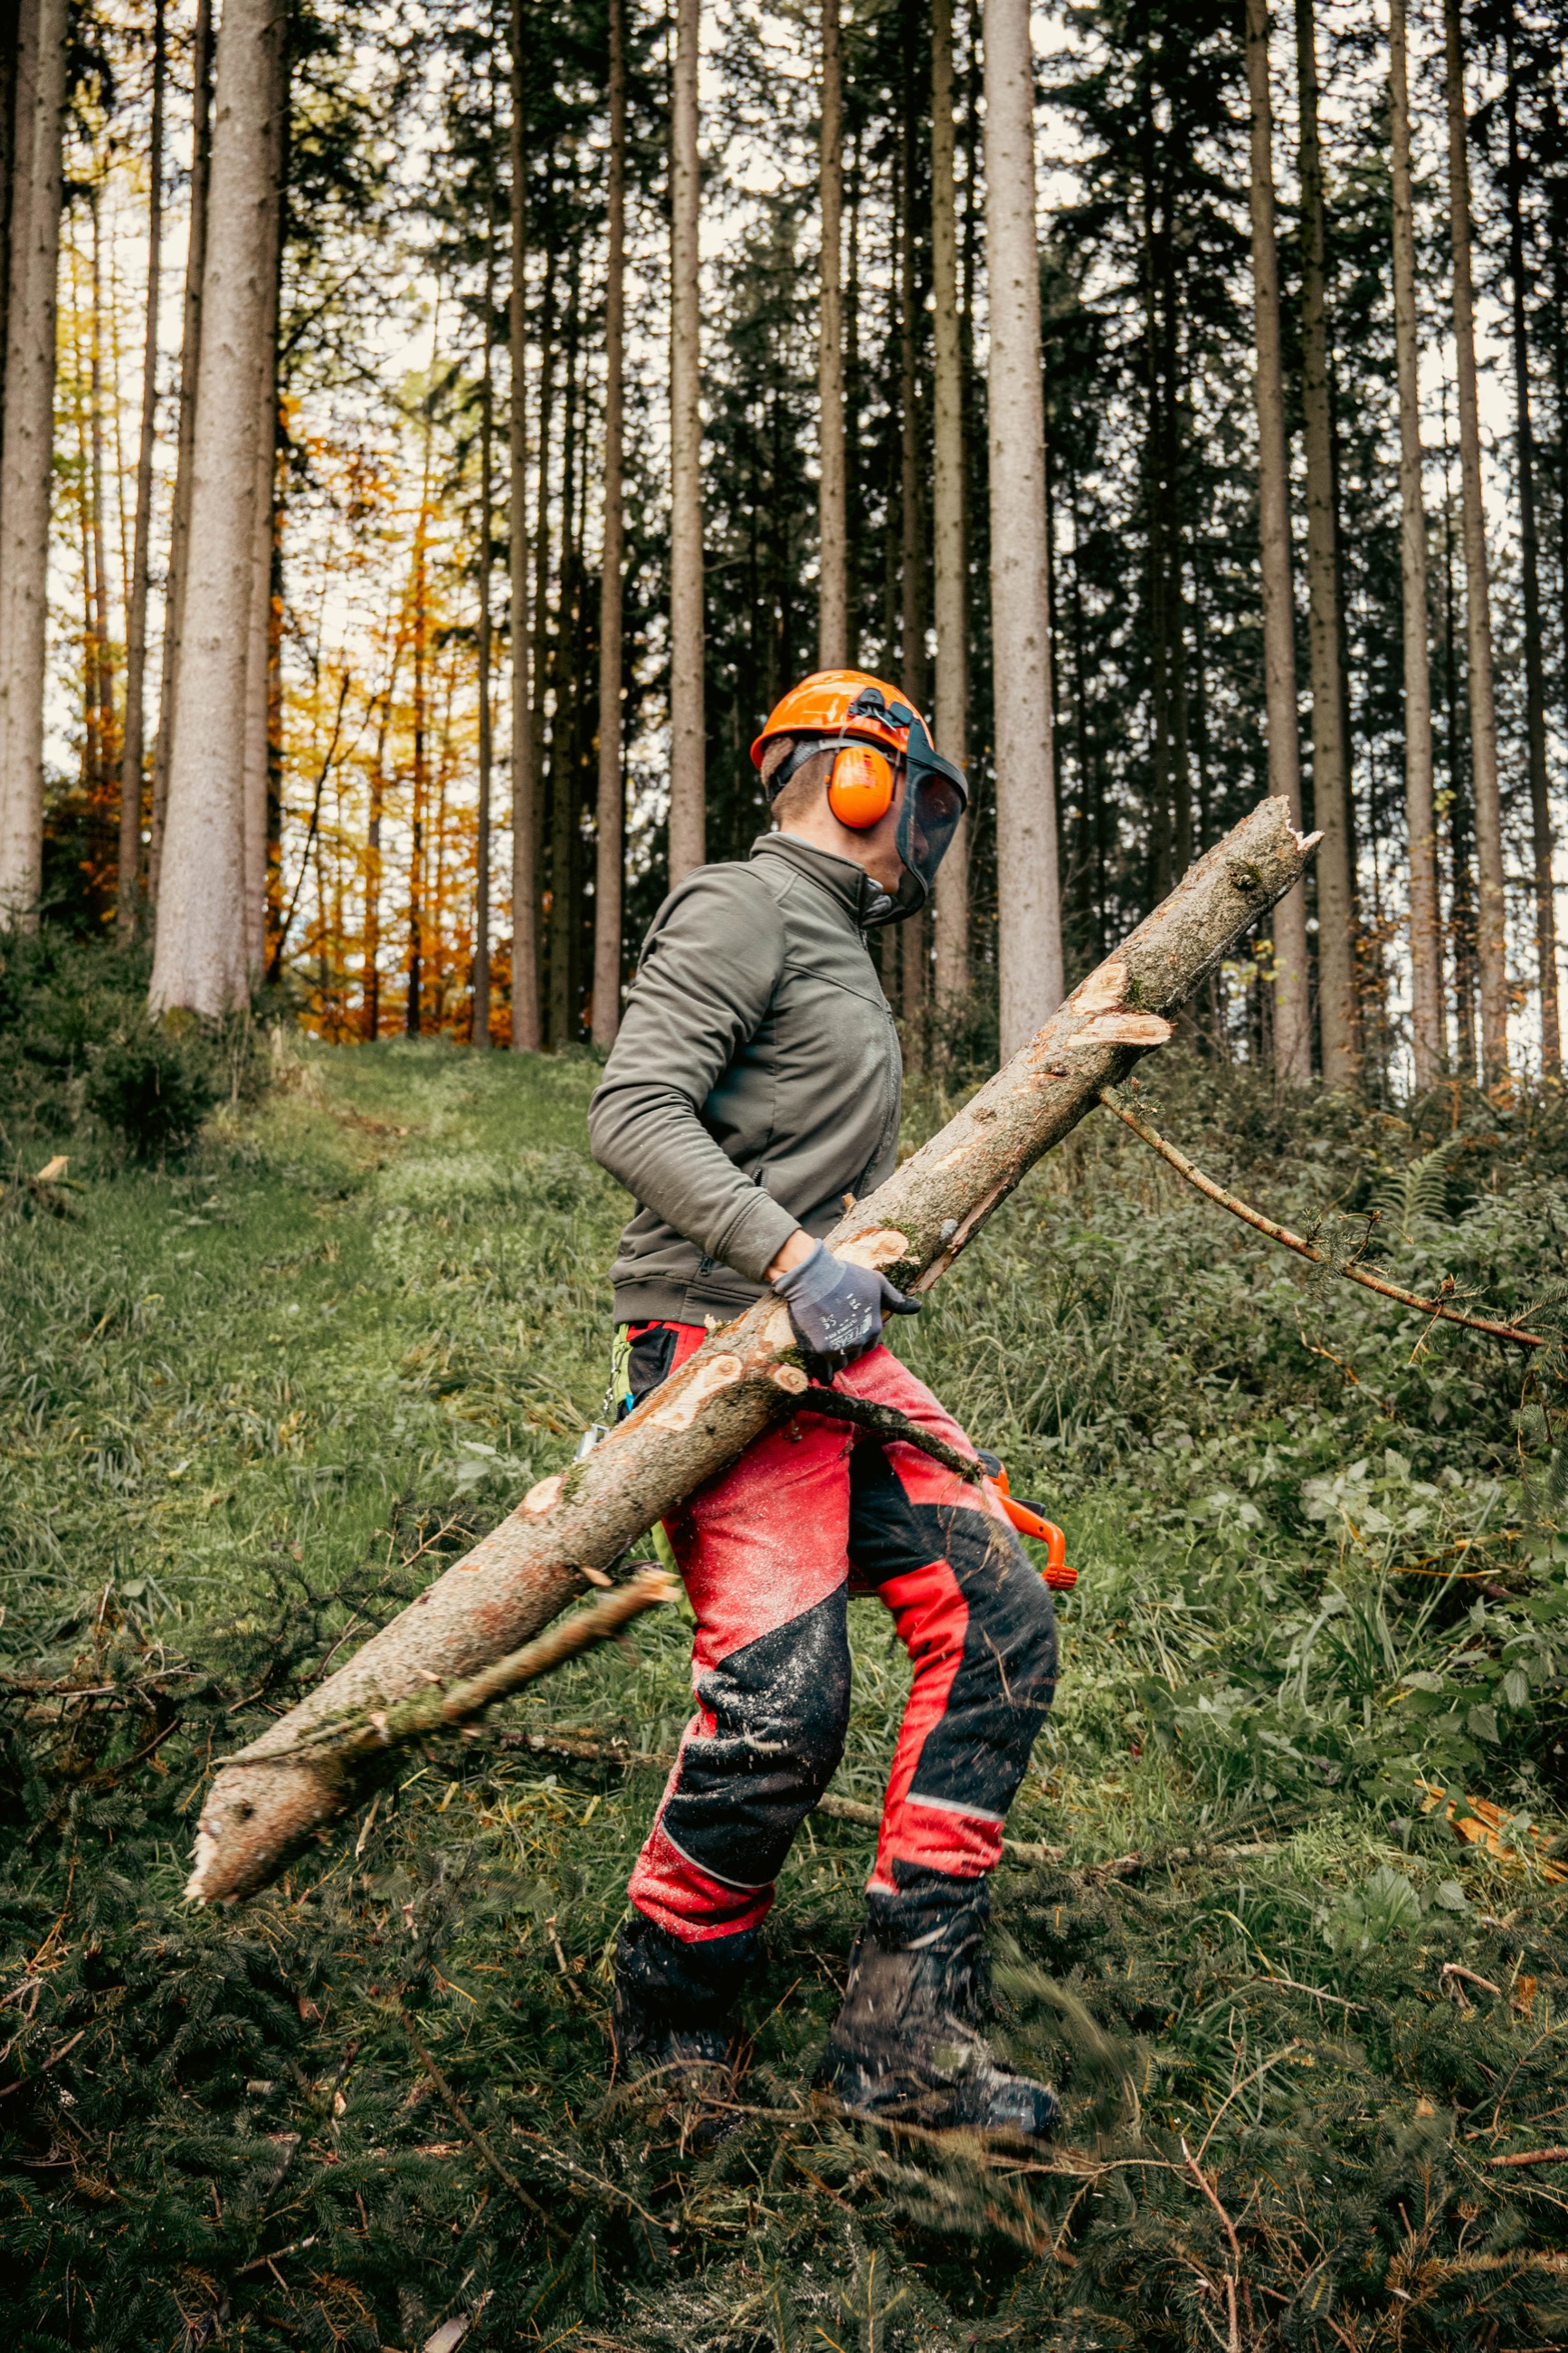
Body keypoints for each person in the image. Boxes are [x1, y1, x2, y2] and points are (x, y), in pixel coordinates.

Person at [587, 669, 1060, 2139]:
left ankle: (903, 2036)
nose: (924, 830)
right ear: (857, 779)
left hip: (827, 1352)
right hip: (722, 1343)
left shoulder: (837, 941)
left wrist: (839, 1270)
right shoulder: (743, 904)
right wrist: (793, 1261)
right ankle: (670, 2017)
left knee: (999, 1622)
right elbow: (632, 1113)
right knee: (784, 1710)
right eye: (918, 797)